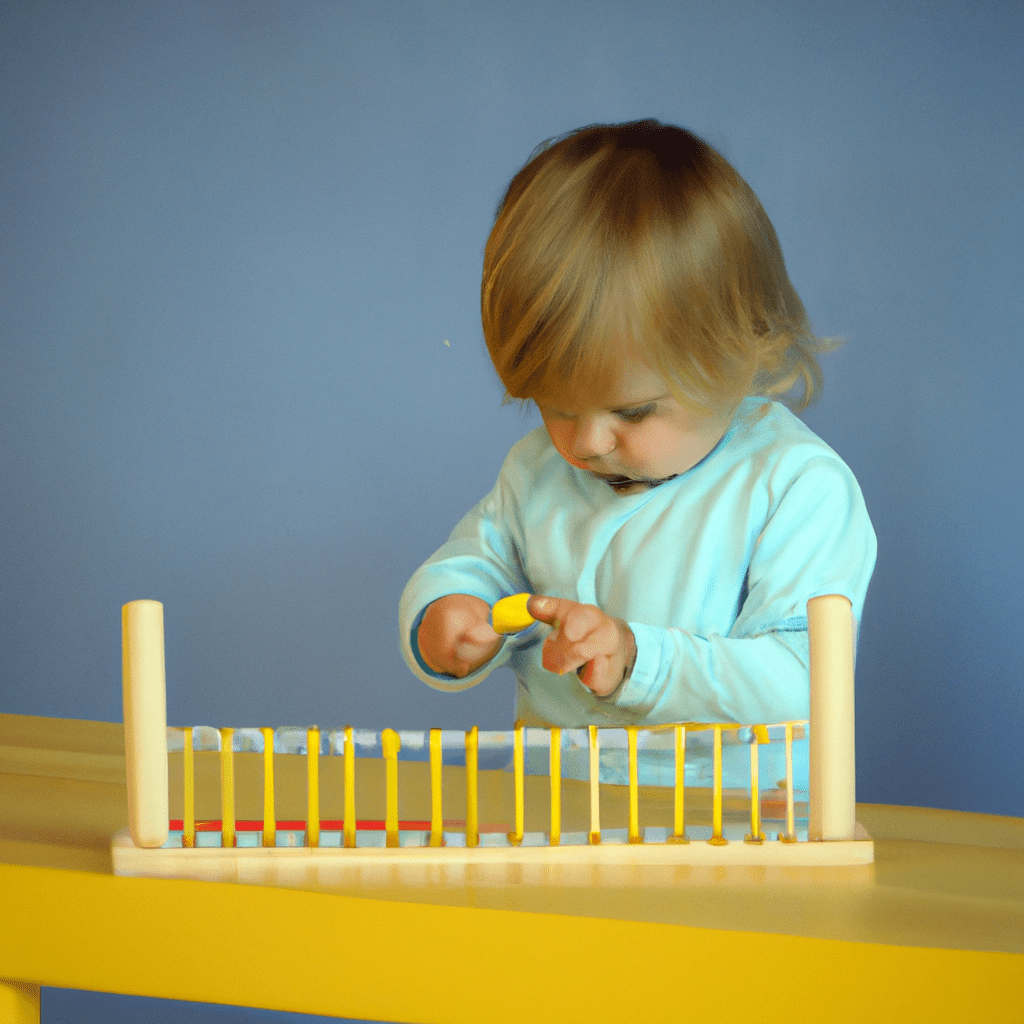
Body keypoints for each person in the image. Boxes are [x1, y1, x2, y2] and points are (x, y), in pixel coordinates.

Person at [399, 119, 876, 728]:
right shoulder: (536, 471)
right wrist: (448, 610)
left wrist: (637, 661)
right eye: (557, 408)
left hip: (735, 816)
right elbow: (478, 563)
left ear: (736, 354)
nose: (587, 442)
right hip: (556, 810)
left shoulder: (795, 488)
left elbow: (802, 685)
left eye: (632, 412)